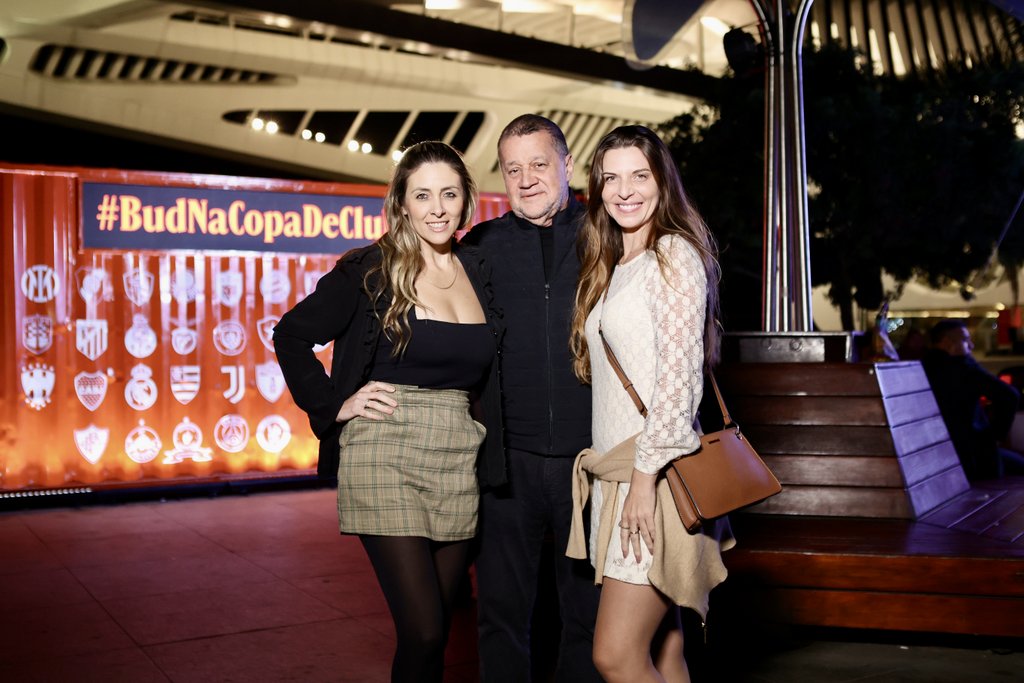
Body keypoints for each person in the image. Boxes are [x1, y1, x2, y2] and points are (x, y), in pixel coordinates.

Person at [273, 141, 505, 683]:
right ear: (401, 203)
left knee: (436, 629)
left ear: (467, 198)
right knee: (423, 630)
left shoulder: (479, 270)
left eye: (449, 193)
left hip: (459, 451)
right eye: (422, 195)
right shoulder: (370, 269)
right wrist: (336, 403)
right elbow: (291, 334)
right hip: (385, 448)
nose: (438, 208)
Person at [566, 125, 735, 682]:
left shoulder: (673, 255)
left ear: (663, 181)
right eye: (610, 178)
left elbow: (680, 382)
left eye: (639, 175)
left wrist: (643, 481)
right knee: (664, 651)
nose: (624, 190)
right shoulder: (620, 263)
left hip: (654, 481)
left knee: (614, 654)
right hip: (624, 477)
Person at [460, 114, 601, 682]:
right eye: (513, 169)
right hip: (506, 463)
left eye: (539, 165)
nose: (526, 180)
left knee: (587, 618)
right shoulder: (481, 247)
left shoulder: (605, 236)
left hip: (590, 463)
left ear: (566, 164)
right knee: (499, 614)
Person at [921, 319, 1024, 480]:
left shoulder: (920, 366)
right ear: (947, 343)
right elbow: (1009, 395)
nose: (971, 345)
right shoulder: (964, 367)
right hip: (973, 452)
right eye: (965, 339)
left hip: (932, 451)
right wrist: (996, 435)